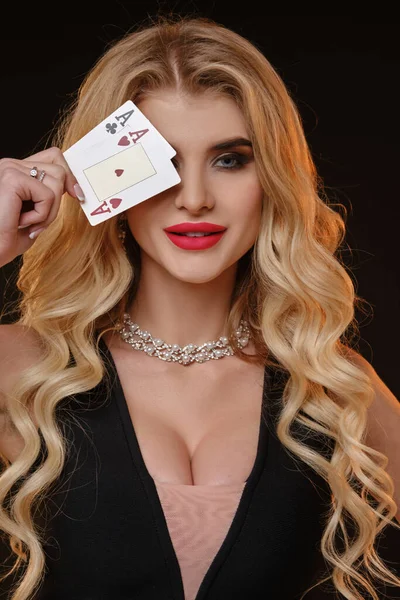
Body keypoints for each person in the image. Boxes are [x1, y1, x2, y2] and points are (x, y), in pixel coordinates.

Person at [0, 15, 399, 600]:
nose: (194, 198)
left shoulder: (332, 386)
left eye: (230, 159)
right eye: (161, 163)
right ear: (101, 175)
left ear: (275, 178)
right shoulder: (19, 370)